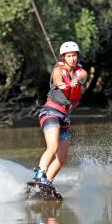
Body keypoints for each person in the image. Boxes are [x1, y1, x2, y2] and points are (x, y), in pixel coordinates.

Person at [33, 41, 88, 185]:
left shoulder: (80, 72)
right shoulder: (58, 69)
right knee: (53, 146)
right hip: (50, 113)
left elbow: (82, 75)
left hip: (64, 117)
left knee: (62, 157)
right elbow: (57, 77)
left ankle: (46, 184)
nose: (72, 59)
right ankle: (39, 175)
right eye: (69, 56)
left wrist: (75, 80)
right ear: (64, 57)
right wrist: (60, 83)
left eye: (74, 56)